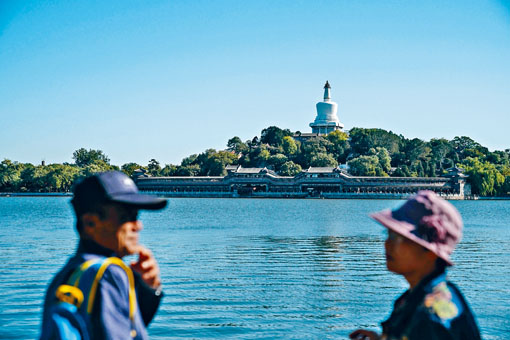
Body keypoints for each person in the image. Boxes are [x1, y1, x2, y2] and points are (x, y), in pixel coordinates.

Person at [40, 171, 167, 340]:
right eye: (127, 217)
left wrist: (148, 290)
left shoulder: (68, 274)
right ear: (90, 223)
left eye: (137, 215)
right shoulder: (110, 272)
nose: (138, 225)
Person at [350, 191, 481, 340]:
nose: (387, 243)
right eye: (387, 234)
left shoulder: (430, 317)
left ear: (431, 251)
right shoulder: (434, 294)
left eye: (397, 237)